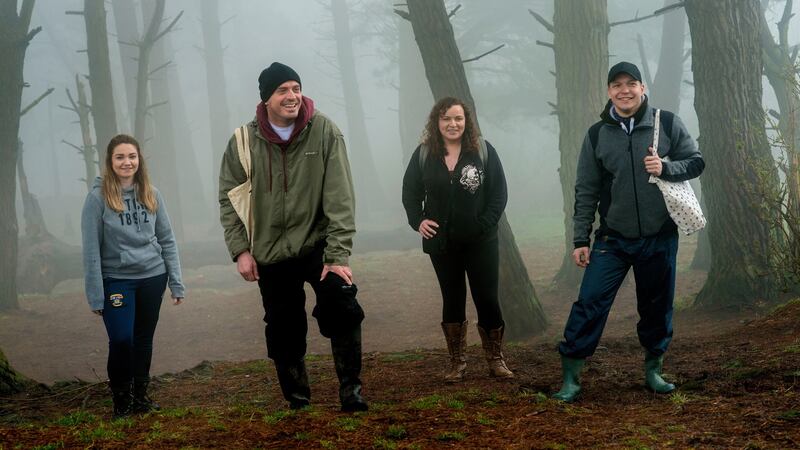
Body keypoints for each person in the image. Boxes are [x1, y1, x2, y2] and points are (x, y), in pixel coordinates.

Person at [219, 62, 367, 412]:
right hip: (269, 251)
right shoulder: (243, 141)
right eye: (283, 90)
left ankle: (351, 392)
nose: (292, 96)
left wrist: (338, 256)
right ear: (266, 98)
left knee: (342, 305)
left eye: (296, 88)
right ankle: (299, 401)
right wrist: (240, 250)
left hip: (318, 245)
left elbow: (341, 198)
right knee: (283, 326)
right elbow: (228, 199)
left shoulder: (324, 131)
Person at [553, 62, 705, 402]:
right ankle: (571, 377)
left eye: (631, 83)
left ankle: (653, 370)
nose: (625, 90)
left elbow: (695, 161)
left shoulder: (666, 123)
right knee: (590, 302)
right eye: (617, 85)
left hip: (659, 236)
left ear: (642, 88)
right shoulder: (596, 135)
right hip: (613, 238)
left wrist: (666, 167)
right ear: (609, 92)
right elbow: (586, 190)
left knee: (656, 306)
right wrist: (580, 238)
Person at [402, 96, 513, 383]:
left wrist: (483, 225)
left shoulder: (483, 151)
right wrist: (418, 221)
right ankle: (457, 363)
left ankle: (496, 360)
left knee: (487, 298)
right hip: (442, 243)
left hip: (481, 242)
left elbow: (499, 194)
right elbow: (410, 192)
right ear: (436, 123)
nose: (453, 124)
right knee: (452, 299)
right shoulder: (425, 154)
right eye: (446, 118)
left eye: (458, 118)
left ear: (467, 122)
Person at [81, 134, 185, 418]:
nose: (127, 162)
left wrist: (176, 281)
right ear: (110, 161)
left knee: (143, 340)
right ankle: (121, 401)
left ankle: (140, 397)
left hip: (153, 276)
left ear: (139, 160)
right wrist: (94, 294)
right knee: (122, 339)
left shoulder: (151, 192)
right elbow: (90, 249)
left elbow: (167, 239)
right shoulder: (97, 198)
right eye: (120, 157)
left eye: (132, 157)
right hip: (117, 280)